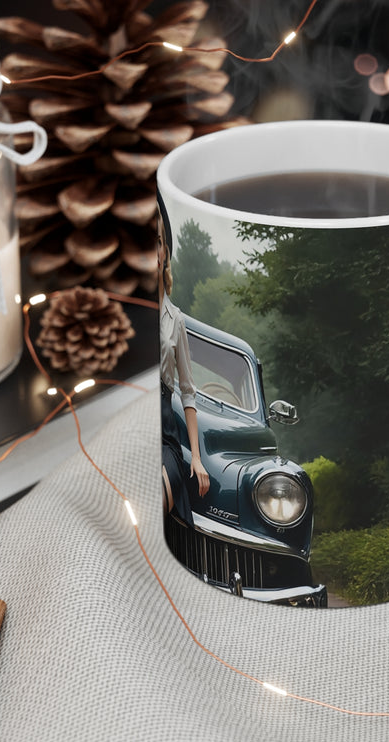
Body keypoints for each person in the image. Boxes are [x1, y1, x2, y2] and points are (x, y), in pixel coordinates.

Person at [157, 201, 209, 524]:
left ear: (164, 254)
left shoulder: (174, 320)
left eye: (157, 241)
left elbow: (187, 393)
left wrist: (198, 459)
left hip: (164, 434)